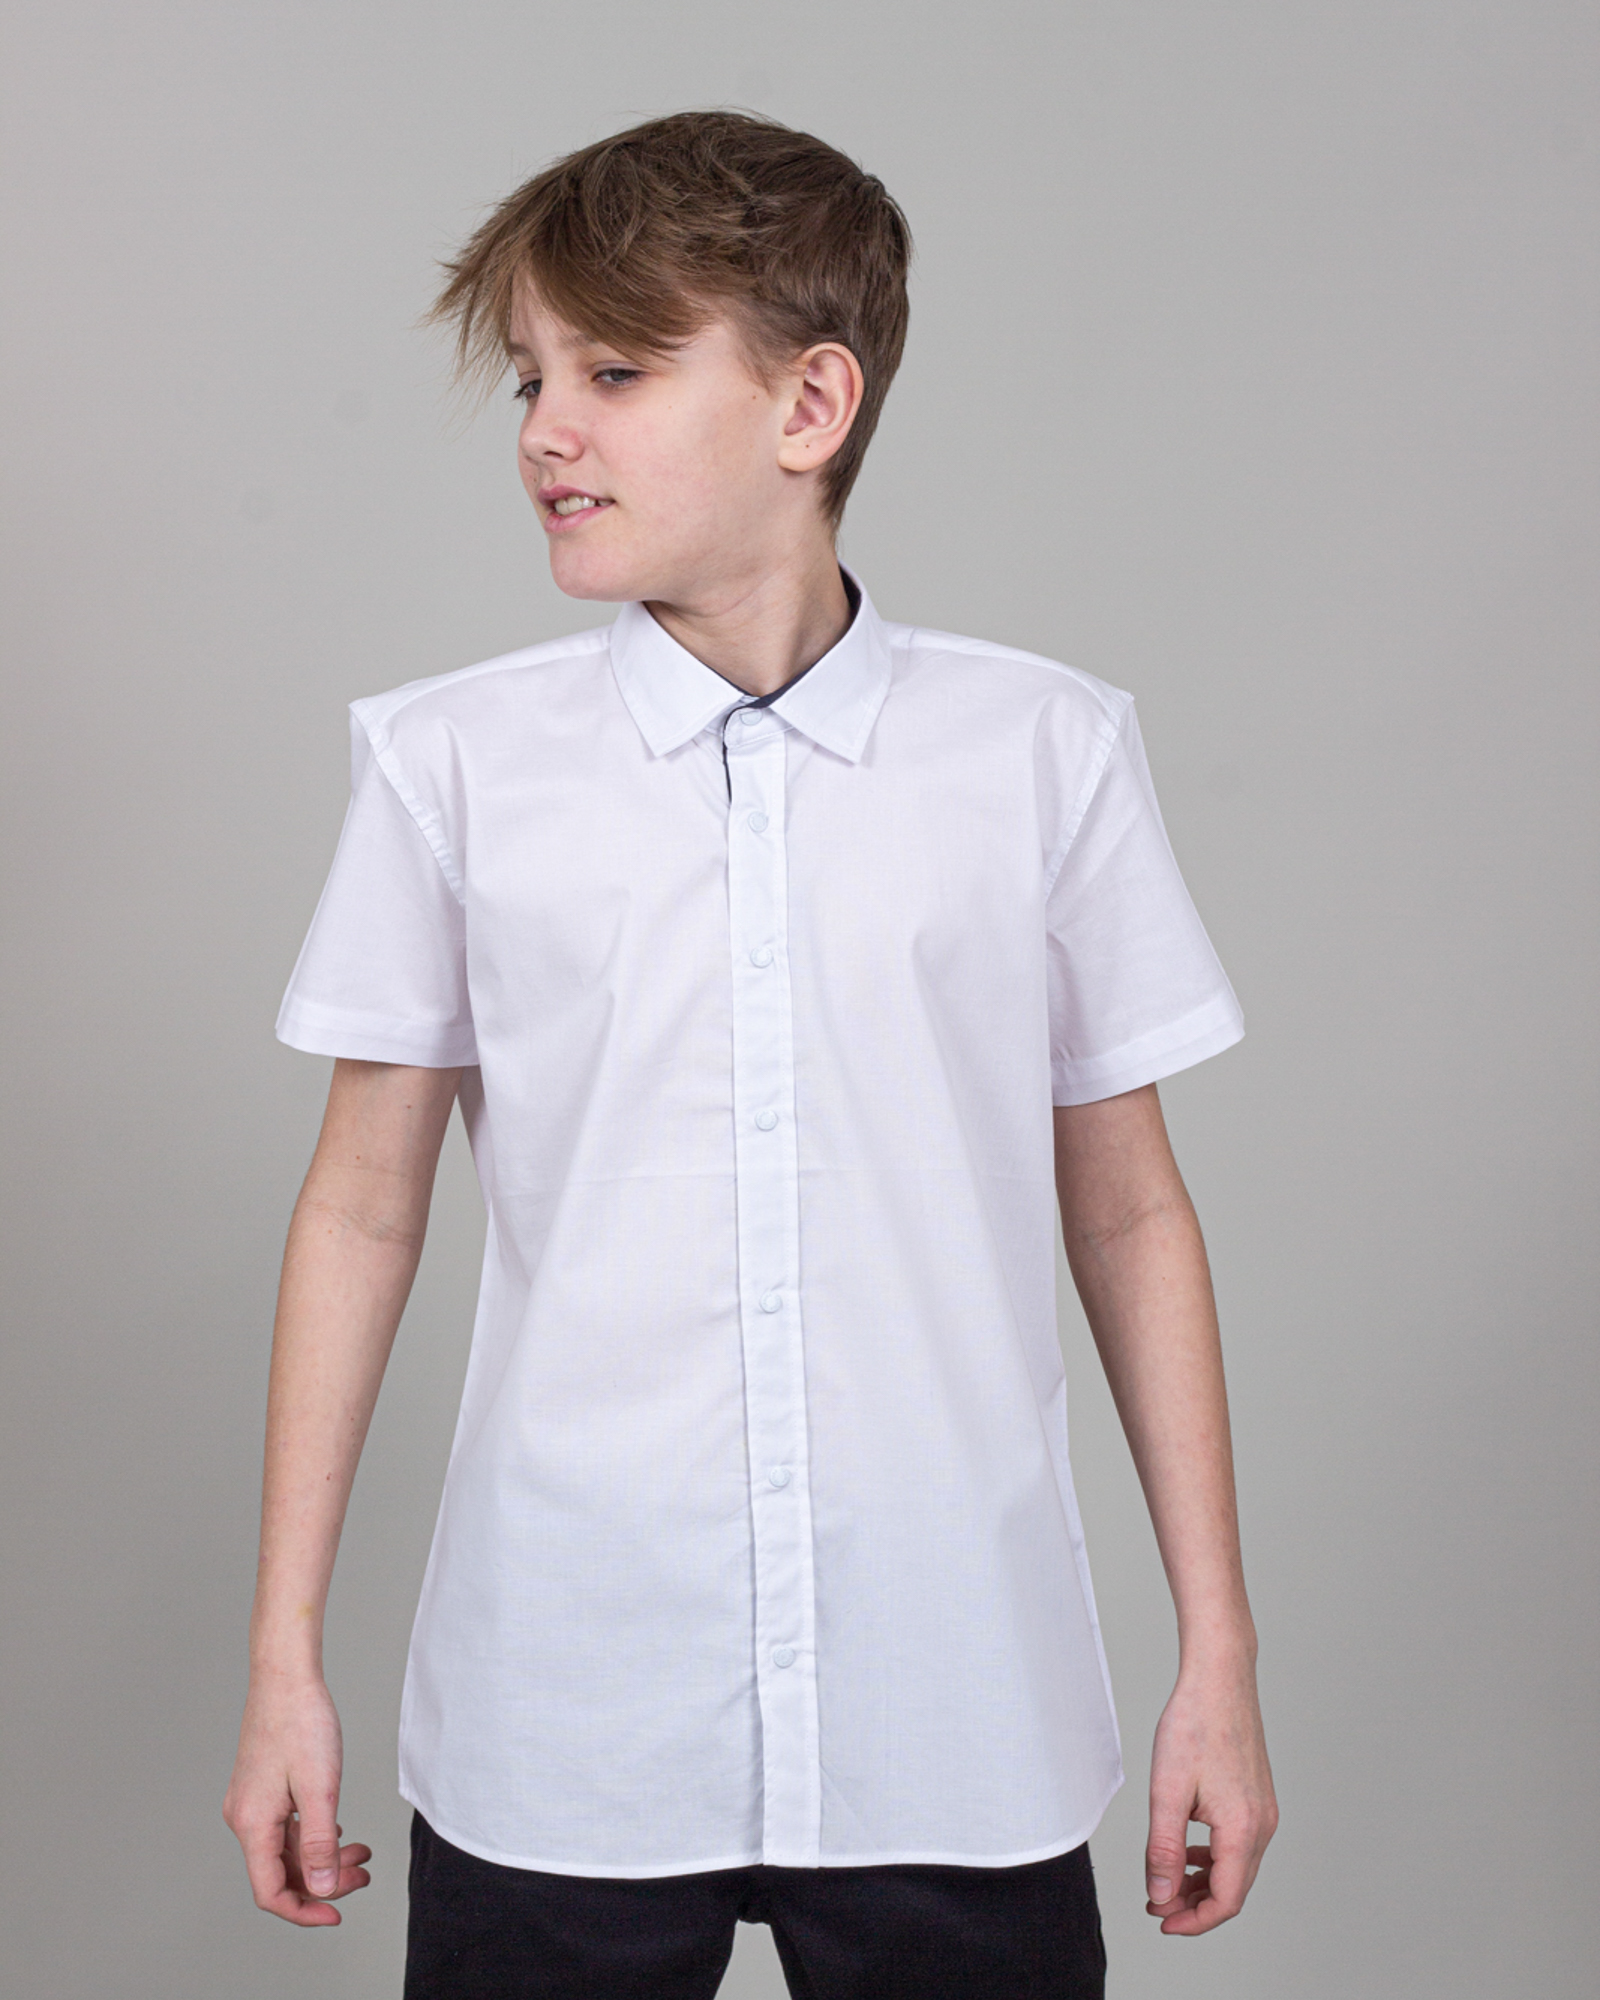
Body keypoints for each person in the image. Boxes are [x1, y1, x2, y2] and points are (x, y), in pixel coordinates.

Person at [224, 110, 1277, 1999]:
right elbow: (360, 1210)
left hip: (957, 1705)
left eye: (615, 374)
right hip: (566, 1707)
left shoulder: (1045, 753)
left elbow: (1129, 1215)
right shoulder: (448, 766)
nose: (546, 430)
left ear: (812, 404)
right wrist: (282, 1659)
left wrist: (1221, 1654)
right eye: (533, 377)